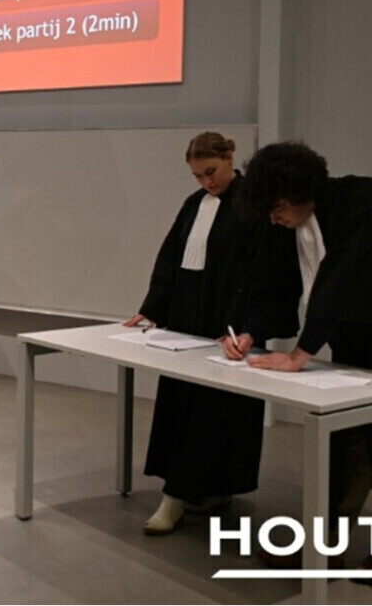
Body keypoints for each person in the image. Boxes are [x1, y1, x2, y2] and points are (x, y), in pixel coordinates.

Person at [124, 132, 299, 535]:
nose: (206, 182)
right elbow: (170, 259)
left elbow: (269, 273)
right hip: (188, 325)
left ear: (230, 158)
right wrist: (152, 308)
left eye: (211, 171)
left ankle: (204, 492)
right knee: (187, 409)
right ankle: (181, 493)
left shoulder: (255, 205)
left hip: (231, 331)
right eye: (198, 176)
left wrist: (250, 329)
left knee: (220, 414)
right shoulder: (193, 204)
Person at [240, 141, 372, 575]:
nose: (273, 218)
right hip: (355, 344)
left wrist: (300, 354)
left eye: (277, 207)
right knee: (345, 440)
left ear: (298, 190)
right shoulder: (294, 222)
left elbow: (341, 282)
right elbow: (277, 284)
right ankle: (324, 545)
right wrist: (251, 331)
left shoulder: (360, 203)